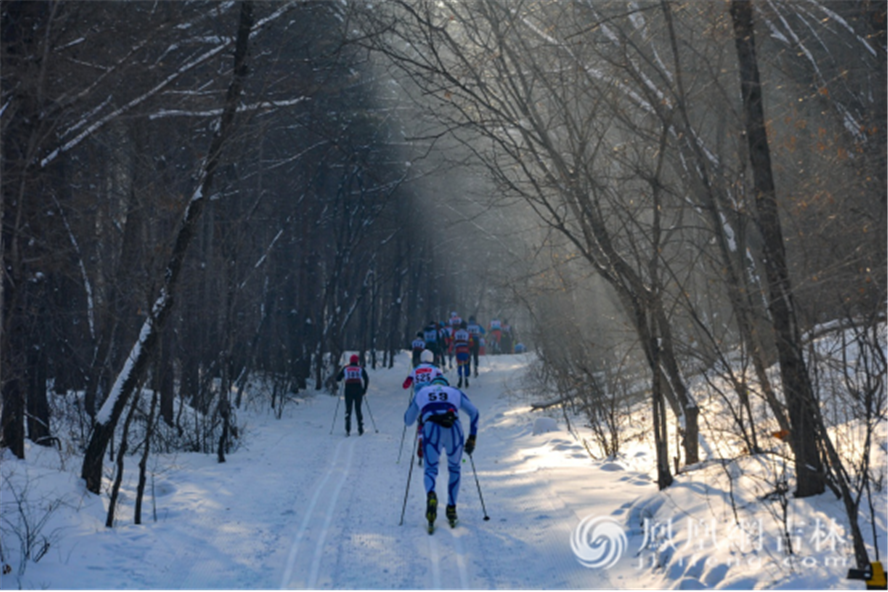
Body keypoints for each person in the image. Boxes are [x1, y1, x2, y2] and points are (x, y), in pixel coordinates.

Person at [404, 377, 479, 530]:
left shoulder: (423, 392)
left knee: (430, 469)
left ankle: (431, 494)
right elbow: (474, 412)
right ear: (446, 384)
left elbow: (408, 420)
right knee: (454, 468)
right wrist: (472, 437)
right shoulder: (454, 391)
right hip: (454, 427)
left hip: (431, 426)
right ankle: (451, 510)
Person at [335, 354, 369, 436]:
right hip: (358, 389)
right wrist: (364, 389)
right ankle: (360, 428)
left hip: (348, 389)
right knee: (358, 409)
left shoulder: (346, 368)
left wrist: (343, 377)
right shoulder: (360, 368)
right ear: (357, 361)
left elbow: (338, 379)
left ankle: (347, 428)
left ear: (350, 361)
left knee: (348, 408)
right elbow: (366, 379)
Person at [452, 320, 474, 388]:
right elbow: (471, 343)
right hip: (465, 350)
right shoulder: (468, 333)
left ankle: (460, 379)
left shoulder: (455, 333)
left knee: (459, 365)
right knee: (466, 365)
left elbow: (451, 339)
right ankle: (466, 379)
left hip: (458, 350)